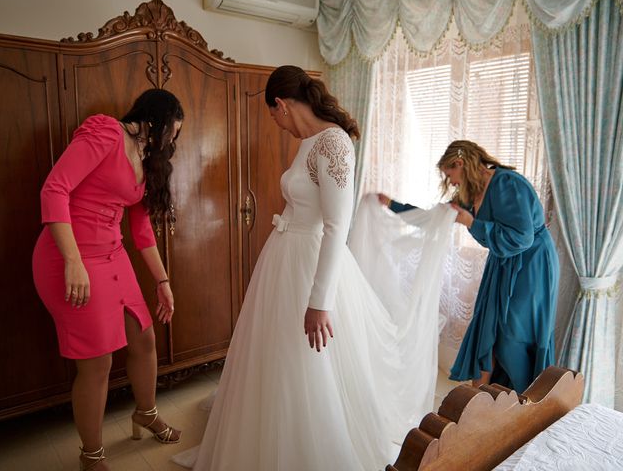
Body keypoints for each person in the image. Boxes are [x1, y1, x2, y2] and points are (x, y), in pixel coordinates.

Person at [173, 65, 442, 471]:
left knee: (309, 362)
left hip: (311, 262)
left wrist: (320, 301)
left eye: (273, 115)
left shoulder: (333, 143)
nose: (277, 124)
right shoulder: (308, 141)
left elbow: (337, 225)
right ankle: (269, 436)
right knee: (277, 355)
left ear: (281, 104)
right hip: (284, 260)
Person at [32, 89, 184, 470]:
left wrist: (162, 282)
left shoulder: (146, 159)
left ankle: (145, 413)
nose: (171, 142)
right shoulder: (106, 133)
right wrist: (73, 260)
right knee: (97, 363)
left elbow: (142, 230)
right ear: (155, 120)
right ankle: (91, 454)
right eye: (171, 132)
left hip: (112, 256)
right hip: (70, 257)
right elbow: (55, 189)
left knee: (144, 338)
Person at [435, 140, 559, 393]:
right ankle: (481, 403)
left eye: (451, 176)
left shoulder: (507, 183)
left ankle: (528, 397)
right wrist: (394, 206)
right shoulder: (473, 192)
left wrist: (473, 223)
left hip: (531, 264)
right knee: (488, 330)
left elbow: (522, 237)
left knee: (513, 336)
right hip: (503, 262)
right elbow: (436, 215)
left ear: (460, 163)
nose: (452, 184)